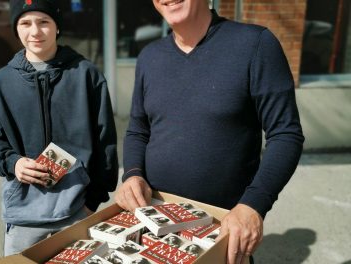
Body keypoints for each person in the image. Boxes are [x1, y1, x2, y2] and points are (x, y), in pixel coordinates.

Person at [114, 1, 304, 264]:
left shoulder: (255, 45)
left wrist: (254, 205)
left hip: (221, 232)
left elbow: (285, 134)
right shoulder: (149, 57)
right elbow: (138, 129)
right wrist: (132, 174)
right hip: (154, 228)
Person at [0, 0, 118, 256]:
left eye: (44, 22)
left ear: (57, 27)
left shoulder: (86, 75)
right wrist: (13, 163)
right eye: (25, 23)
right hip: (23, 214)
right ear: (15, 28)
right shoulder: (1, 82)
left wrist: (94, 200)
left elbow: (104, 141)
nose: (35, 31)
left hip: (76, 209)